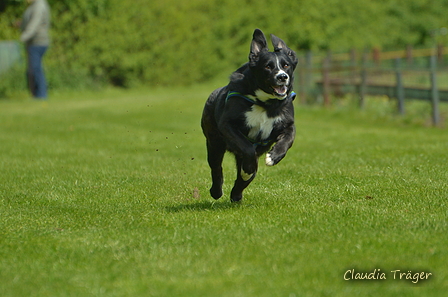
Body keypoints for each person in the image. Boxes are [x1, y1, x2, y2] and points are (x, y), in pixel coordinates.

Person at [20, 0, 51, 99]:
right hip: (34, 42)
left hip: (37, 42)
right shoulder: (36, 5)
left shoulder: (39, 5)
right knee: (34, 69)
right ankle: (37, 95)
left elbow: (35, 23)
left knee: (35, 69)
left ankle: (41, 95)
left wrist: (24, 36)